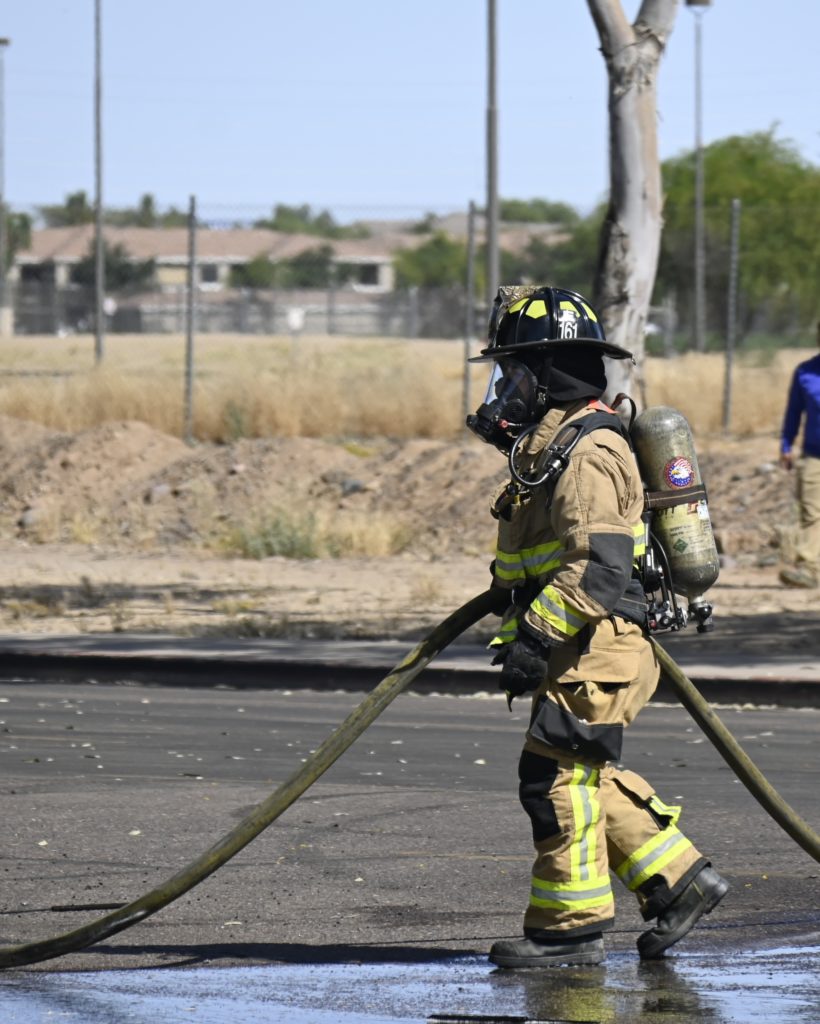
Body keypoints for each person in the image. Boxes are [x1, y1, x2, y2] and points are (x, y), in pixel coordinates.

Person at [466, 285, 728, 968]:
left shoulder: (587, 453)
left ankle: (570, 930)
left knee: (555, 782)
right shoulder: (552, 448)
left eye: (514, 373)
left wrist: (535, 635)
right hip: (582, 645)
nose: (505, 389)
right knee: (580, 774)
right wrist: (516, 615)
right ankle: (681, 883)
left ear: (550, 373)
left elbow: (599, 567)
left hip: (597, 647)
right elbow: (540, 557)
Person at [778, 321, 820, 589]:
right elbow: (793, 412)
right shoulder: (805, 372)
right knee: (811, 513)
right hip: (814, 456)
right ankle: (809, 569)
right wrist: (786, 445)